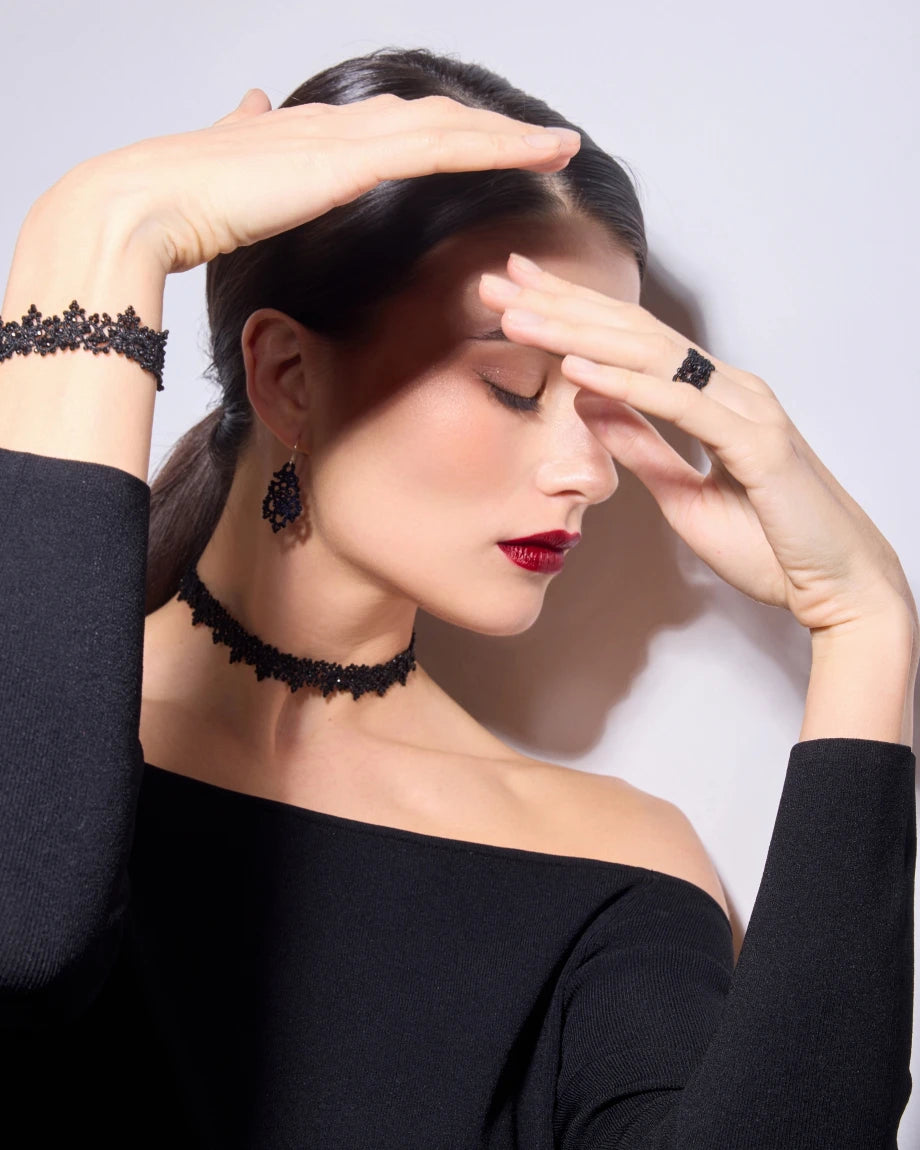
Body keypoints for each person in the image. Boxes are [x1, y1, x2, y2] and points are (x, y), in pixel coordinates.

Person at [0, 45, 915, 1149]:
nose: (591, 472)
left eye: (604, 403)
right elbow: (26, 927)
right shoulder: (36, 741)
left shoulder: (609, 871)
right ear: (287, 375)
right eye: (515, 386)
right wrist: (98, 228)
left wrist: (862, 622)